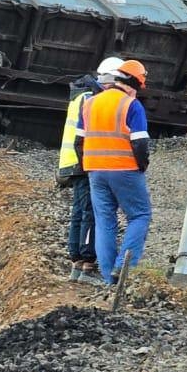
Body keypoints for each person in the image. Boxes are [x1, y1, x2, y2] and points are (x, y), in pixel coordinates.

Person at [75, 60, 152, 285]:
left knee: (104, 221)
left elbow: (79, 141)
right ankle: (122, 268)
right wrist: (142, 166)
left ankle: (109, 279)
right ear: (131, 83)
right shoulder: (131, 105)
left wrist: (87, 165)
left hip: (95, 171)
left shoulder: (89, 103)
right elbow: (140, 144)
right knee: (140, 215)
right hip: (124, 168)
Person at [56, 56, 124, 285]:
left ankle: (76, 264)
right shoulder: (91, 98)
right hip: (85, 162)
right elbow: (86, 136)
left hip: (73, 162)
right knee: (89, 213)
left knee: (79, 211)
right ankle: (87, 266)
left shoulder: (81, 95)